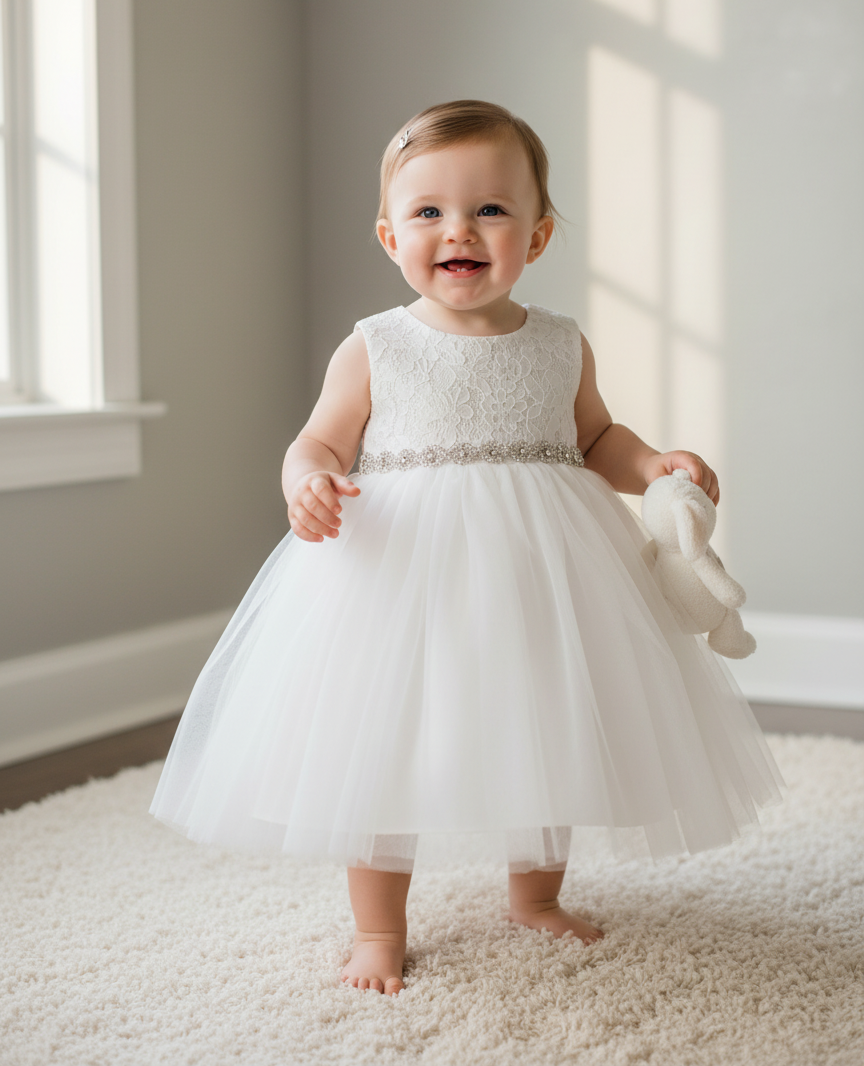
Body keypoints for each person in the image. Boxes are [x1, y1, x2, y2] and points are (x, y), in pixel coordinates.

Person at [150, 100, 785, 997]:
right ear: (388, 234)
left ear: (539, 234)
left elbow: (596, 438)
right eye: (429, 212)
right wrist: (307, 483)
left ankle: (534, 896)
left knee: (551, 723)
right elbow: (319, 442)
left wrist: (654, 463)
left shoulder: (561, 342)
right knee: (379, 745)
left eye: (491, 210)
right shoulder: (378, 345)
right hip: (402, 574)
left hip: (544, 573)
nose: (461, 230)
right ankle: (377, 928)